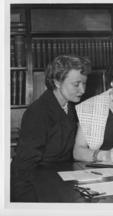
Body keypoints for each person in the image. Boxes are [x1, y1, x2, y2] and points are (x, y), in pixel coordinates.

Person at [11, 55, 91, 202]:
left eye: (84, 84)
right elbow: (24, 167)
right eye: (76, 84)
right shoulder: (38, 112)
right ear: (57, 82)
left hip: (62, 180)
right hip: (36, 186)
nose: (83, 90)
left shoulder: (71, 107)